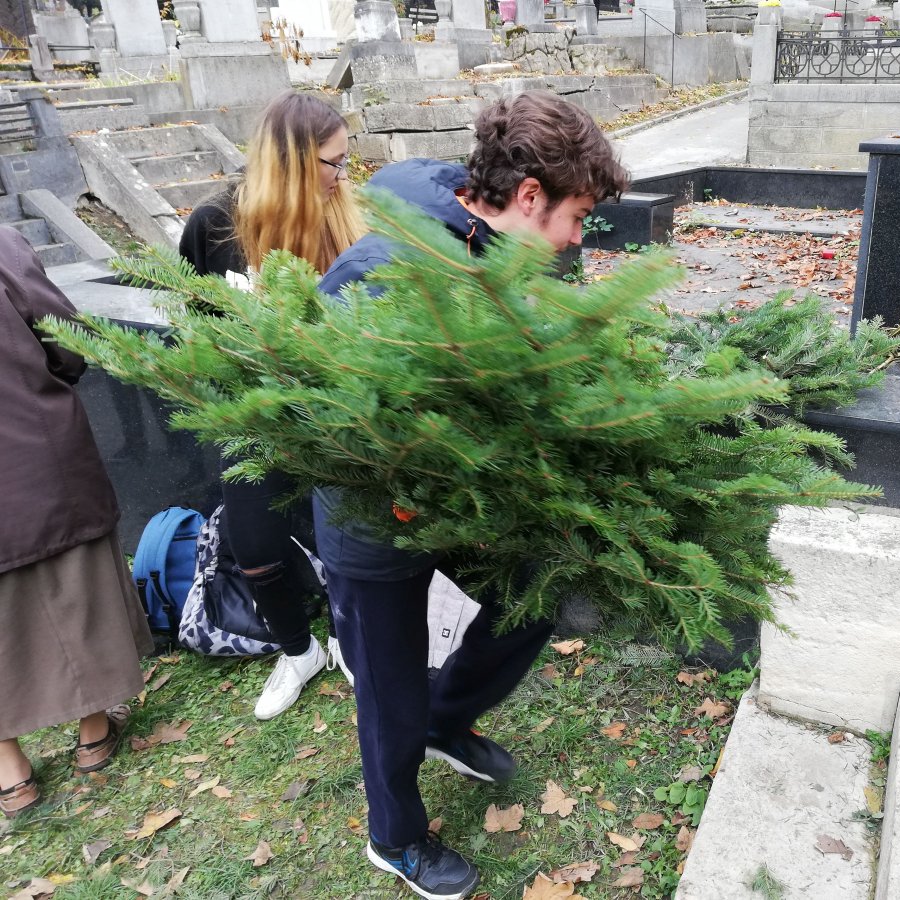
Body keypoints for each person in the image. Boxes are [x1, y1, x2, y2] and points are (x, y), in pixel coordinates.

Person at [315, 90, 630, 900]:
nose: (575, 239)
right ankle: (396, 837)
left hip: (467, 502)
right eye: (575, 216)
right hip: (374, 519)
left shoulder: (502, 256)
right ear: (529, 197)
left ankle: (445, 720)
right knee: (387, 684)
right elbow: (334, 418)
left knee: (535, 588)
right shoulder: (386, 269)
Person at [179, 90, 365, 719]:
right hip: (254, 413)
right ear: (290, 162)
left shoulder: (342, 221)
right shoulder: (215, 225)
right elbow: (198, 323)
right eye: (333, 163)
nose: (344, 176)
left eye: (346, 160)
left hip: (336, 412)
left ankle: (348, 641)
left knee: (345, 536)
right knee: (253, 541)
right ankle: (298, 648)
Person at [0, 226, 155, 818]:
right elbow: (63, 337)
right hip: (35, 449)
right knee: (76, 589)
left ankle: (12, 773)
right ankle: (93, 730)